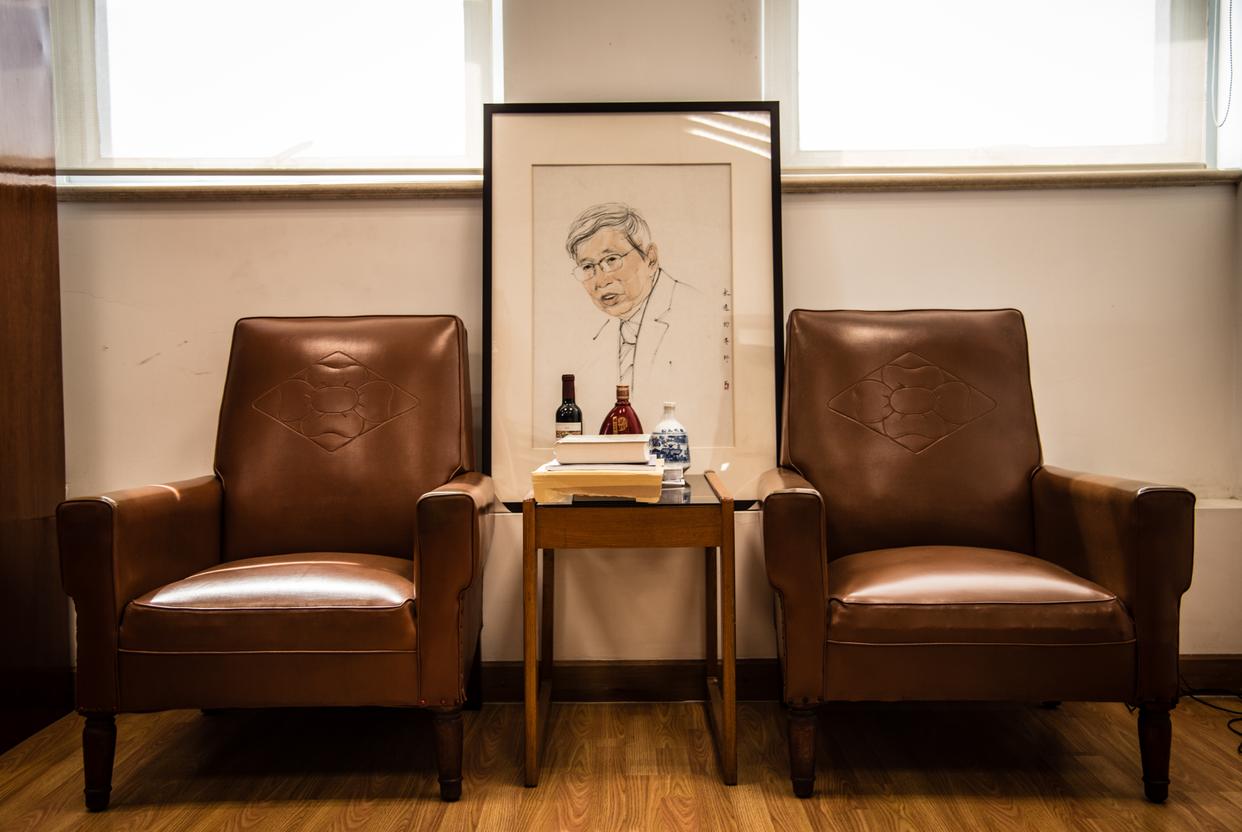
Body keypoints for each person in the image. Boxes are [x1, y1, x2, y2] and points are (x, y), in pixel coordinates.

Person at [565, 202, 696, 393]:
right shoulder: (597, 339)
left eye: (611, 259)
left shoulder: (695, 313)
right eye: (587, 267)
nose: (601, 281)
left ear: (650, 259)